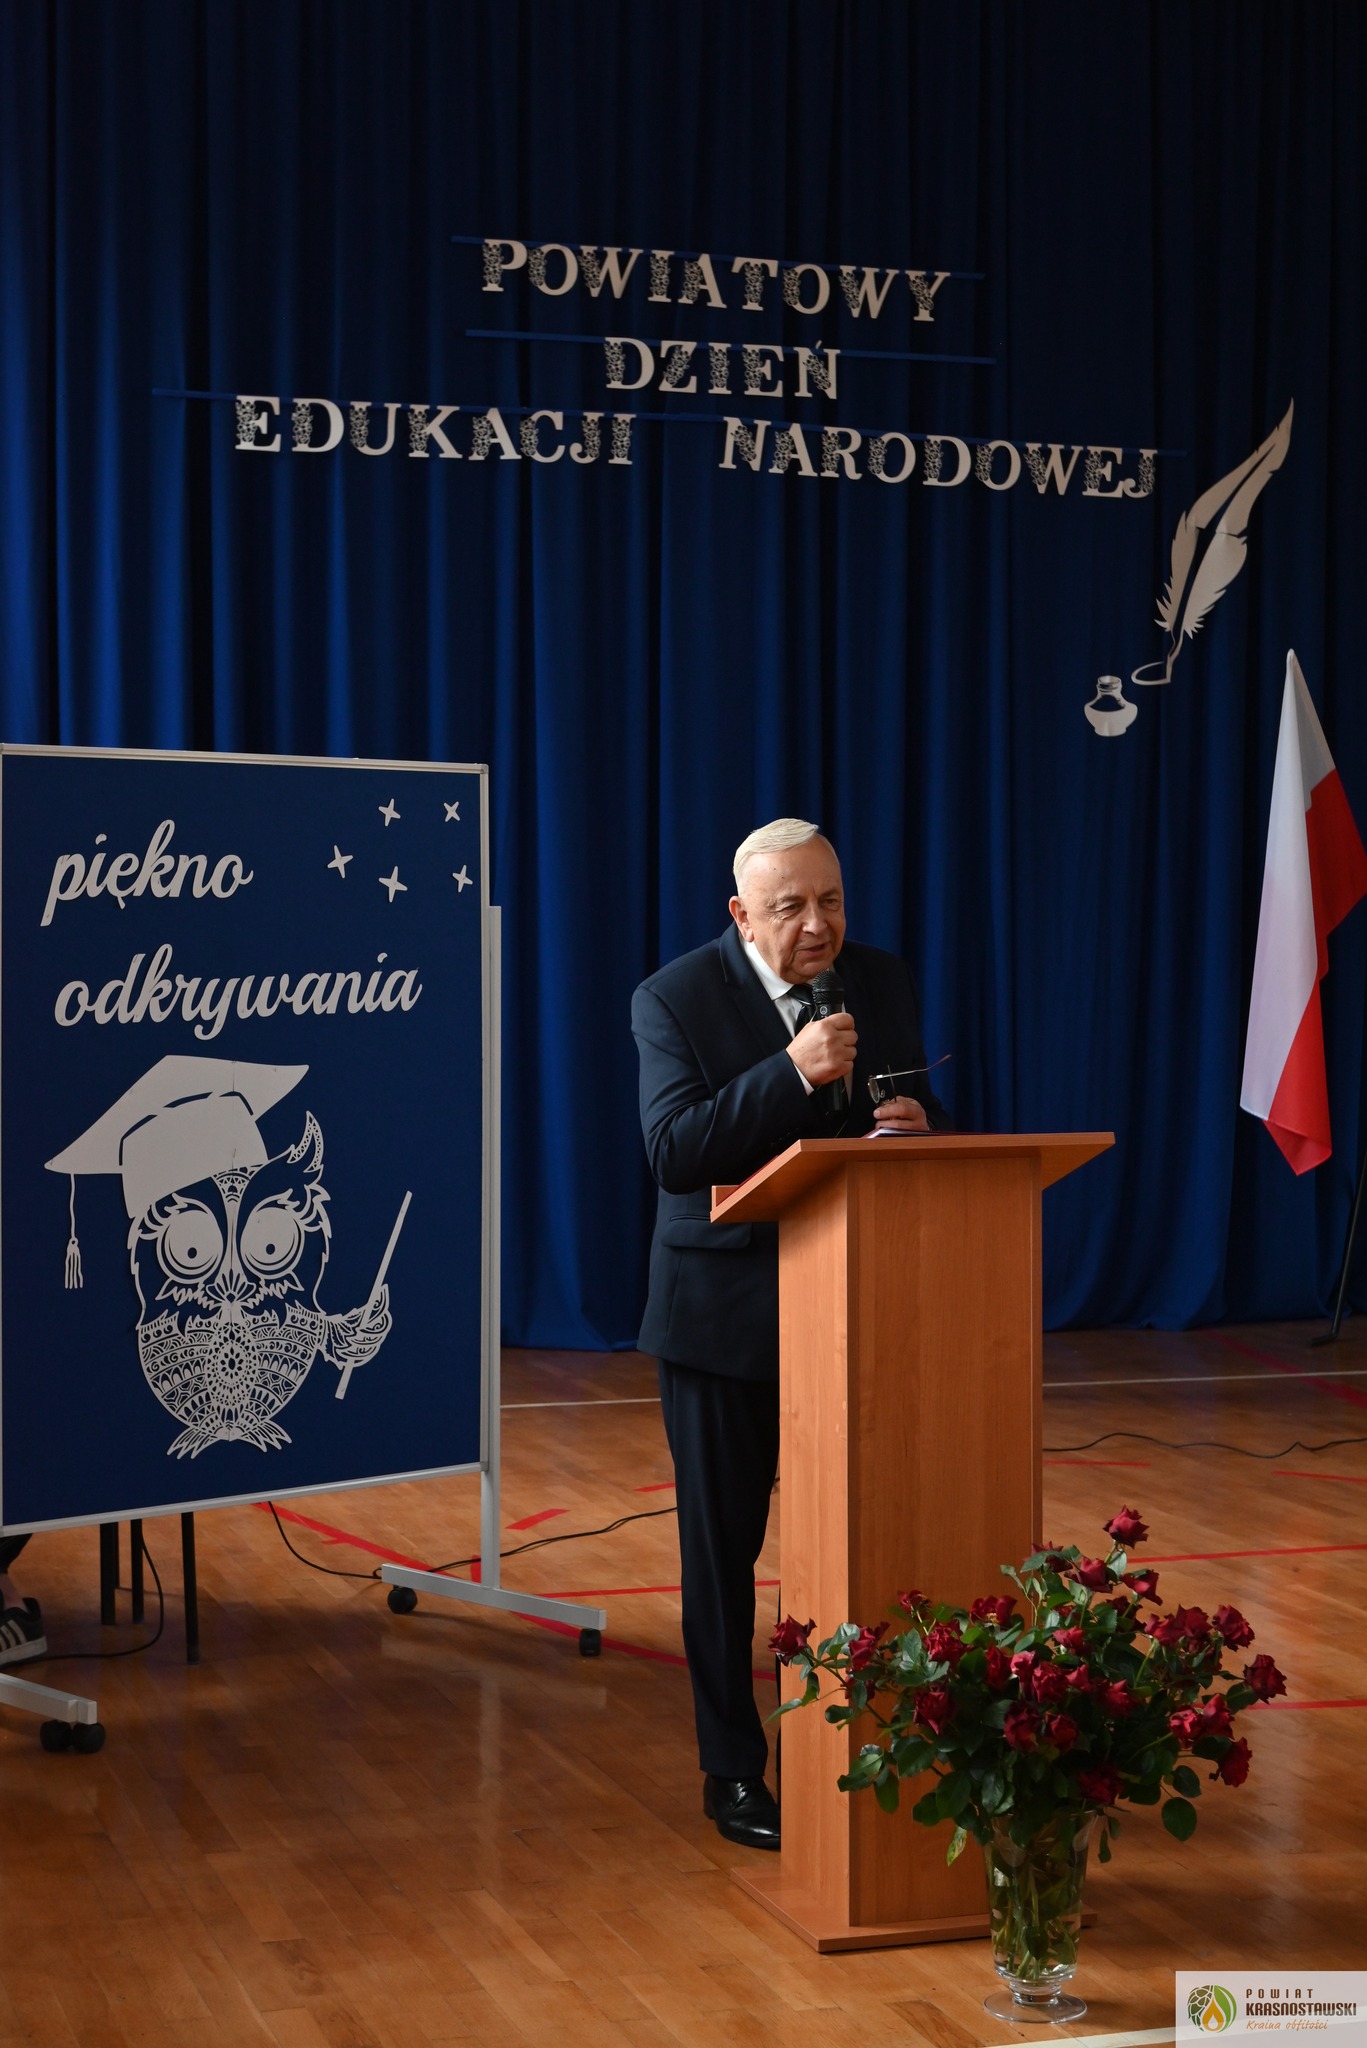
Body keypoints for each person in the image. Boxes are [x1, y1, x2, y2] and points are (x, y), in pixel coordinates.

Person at [631, 818, 948, 1849]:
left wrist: (919, 1125)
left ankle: (861, 1747)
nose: (818, 925)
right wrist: (792, 1070)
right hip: (720, 1320)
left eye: (831, 901)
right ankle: (732, 1770)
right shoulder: (672, 997)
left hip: (855, 1304)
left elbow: (907, 1095)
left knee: (857, 1537)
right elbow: (675, 1150)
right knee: (723, 1557)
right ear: (741, 914)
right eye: (791, 907)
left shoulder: (880, 979)